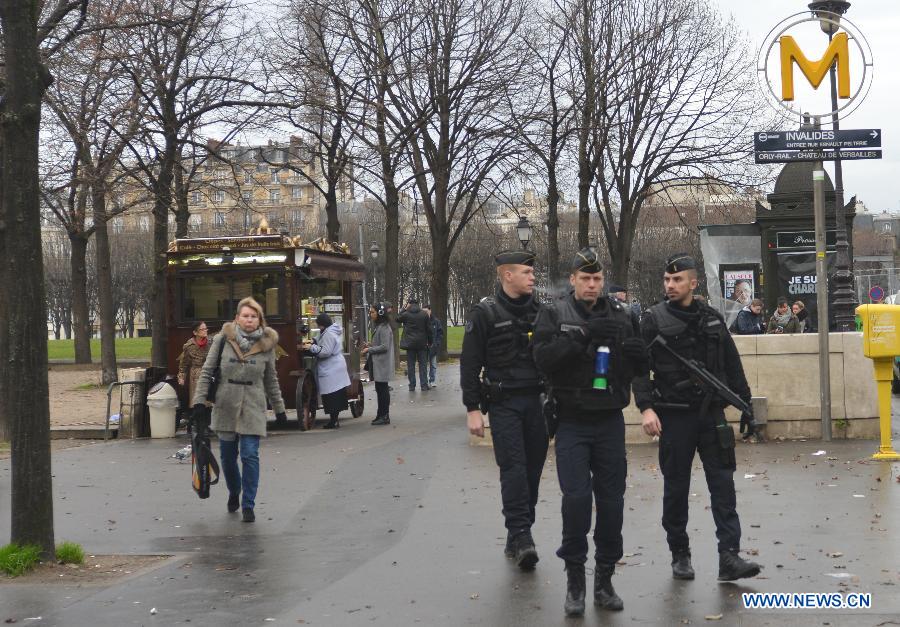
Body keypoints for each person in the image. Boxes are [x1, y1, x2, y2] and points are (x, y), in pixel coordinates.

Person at [532, 248, 647, 616]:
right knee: (576, 500)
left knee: (612, 502)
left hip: (610, 419)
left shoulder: (621, 314)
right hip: (572, 420)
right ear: (573, 280)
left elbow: (637, 365)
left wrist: (636, 354)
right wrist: (582, 336)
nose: (593, 284)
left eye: (597, 279)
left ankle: (605, 579)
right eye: (586, 278)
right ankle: (575, 581)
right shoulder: (554, 312)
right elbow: (543, 359)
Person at [633, 253, 761, 582]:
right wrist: (646, 407)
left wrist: (746, 405)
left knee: (723, 486)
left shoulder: (712, 319)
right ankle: (680, 555)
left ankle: (729, 556)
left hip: (711, 414)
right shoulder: (653, 319)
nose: (670, 285)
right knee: (676, 488)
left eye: (677, 280)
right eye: (667, 280)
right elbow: (638, 370)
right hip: (674, 417)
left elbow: (732, 365)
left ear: (693, 283)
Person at [460, 250, 548, 571]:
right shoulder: (484, 314)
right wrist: (472, 409)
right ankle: (522, 535)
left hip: (536, 403)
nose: (533, 277)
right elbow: (470, 365)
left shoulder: (541, 313)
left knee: (533, 470)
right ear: (507, 275)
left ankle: (519, 529)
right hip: (504, 404)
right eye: (527, 272)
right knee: (514, 468)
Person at [192, 297, 287, 523]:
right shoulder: (223, 339)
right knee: (227, 457)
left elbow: (271, 379)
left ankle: (248, 504)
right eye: (245, 316)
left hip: (253, 403)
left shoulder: (266, 344)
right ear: (237, 318)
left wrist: (280, 409)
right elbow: (207, 370)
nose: (249, 320)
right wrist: (198, 401)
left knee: (250, 454)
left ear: (260, 320)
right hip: (225, 403)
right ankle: (234, 490)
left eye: (254, 316)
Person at [302, 313, 351, 429]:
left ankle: (333, 421)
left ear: (322, 325)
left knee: (332, 396)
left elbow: (325, 352)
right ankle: (334, 420)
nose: (319, 327)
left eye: (319, 325)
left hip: (331, 368)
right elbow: (320, 338)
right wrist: (313, 341)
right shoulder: (329, 331)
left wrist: (311, 347)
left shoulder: (329, 334)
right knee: (334, 395)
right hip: (335, 367)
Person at [362, 302, 394, 425]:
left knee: (382, 390)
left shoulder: (385, 327)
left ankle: (384, 415)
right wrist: (370, 345)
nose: (371, 314)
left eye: (372, 312)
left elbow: (385, 346)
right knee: (380, 389)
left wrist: (369, 349)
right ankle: (380, 414)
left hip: (382, 364)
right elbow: (380, 344)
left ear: (380, 313)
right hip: (379, 363)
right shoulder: (381, 326)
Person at [397, 298, 433, 391]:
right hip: (422, 343)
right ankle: (424, 385)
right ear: (418, 304)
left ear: (409, 304)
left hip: (410, 344)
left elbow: (397, 319)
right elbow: (429, 329)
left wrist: (404, 309)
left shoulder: (406, 314)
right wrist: (430, 341)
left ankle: (412, 386)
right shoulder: (424, 314)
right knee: (423, 365)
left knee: (411, 365)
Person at [178, 321, 211, 415]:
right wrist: (181, 376)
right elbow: (184, 363)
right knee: (198, 401)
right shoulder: (189, 346)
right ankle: (198, 424)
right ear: (195, 332)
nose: (205, 331)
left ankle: (209, 425)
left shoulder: (211, 343)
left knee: (210, 400)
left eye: (206, 328)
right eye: (202, 329)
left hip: (209, 373)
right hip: (196, 375)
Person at [423, 304, 443, 387]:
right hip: (424, 347)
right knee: (424, 365)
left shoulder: (436, 321)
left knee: (433, 365)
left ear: (430, 310)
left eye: (426, 311)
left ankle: (432, 380)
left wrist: (437, 343)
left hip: (433, 346)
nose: (425, 313)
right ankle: (425, 381)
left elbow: (440, 333)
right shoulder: (421, 321)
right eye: (423, 311)